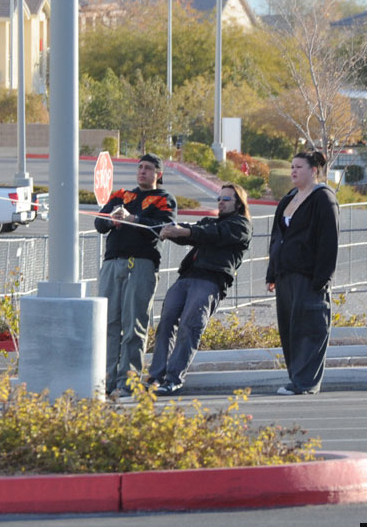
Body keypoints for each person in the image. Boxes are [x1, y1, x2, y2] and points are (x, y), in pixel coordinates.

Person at [149, 183, 252, 395]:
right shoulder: (208, 223)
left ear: (239, 204)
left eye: (226, 199)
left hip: (209, 281)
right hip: (186, 277)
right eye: (219, 199)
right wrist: (169, 230)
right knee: (166, 323)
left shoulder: (241, 225)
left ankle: (173, 378)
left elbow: (213, 234)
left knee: (190, 326)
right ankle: (156, 377)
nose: (220, 203)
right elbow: (192, 233)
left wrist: (184, 231)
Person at [95, 153, 177, 396]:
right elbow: (100, 224)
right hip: (113, 263)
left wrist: (134, 219)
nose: (142, 171)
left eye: (148, 168)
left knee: (134, 325)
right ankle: (106, 382)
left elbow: (162, 228)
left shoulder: (164, 199)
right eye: (140, 167)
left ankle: (127, 383)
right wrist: (112, 220)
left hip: (141, 264)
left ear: (158, 174)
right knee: (109, 324)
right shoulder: (120, 195)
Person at [266, 151, 340, 395]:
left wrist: (322, 278)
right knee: (290, 329)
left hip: (309, 278)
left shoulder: (323, 198)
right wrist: (272, 273)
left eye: (299, 166)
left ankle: (306, 383)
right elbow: (277, 237)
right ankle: (296, 378)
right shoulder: (289, 198)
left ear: (313, 170)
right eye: (292, 167)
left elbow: (329, 240)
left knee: (309, 327)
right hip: (285, 275)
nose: (293, 171)